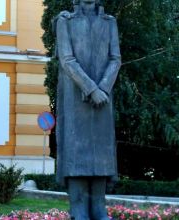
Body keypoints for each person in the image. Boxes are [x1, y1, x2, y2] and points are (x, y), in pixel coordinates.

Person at [54, 0, 121, 219]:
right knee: (76, 152)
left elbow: (115, 58)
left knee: (101, 153)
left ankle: (98, 207)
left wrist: (103, 87)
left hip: (103, 100)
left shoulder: (109, 22)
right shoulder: (66, 21)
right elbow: (66, 59)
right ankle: (78, 209)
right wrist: (91, 89)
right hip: (75, 100)